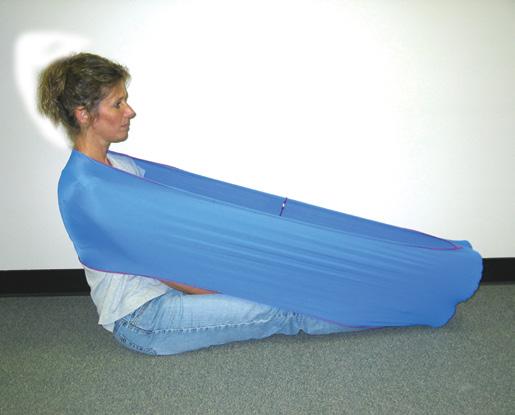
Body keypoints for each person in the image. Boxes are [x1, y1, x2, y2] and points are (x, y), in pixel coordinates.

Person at [37, 52, 360, 355]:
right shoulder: (86, 190)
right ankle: (375, 314)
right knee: (280, 305)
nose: (130, 111)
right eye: (117, 104)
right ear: (84, 114)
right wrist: (225, 289)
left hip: (167, 289)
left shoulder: (123, 168)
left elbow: (169, 234)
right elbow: (156, 265)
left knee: (274, 278)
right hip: (142, 318)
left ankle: (359, 295)